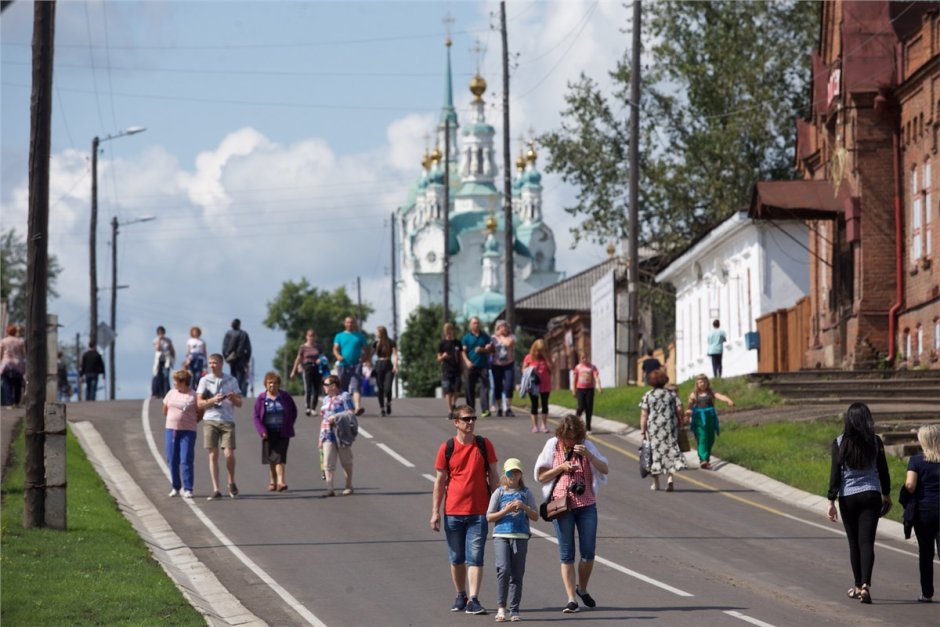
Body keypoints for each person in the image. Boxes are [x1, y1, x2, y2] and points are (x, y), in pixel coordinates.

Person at [535, 414, 609, 613]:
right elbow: (540, 476)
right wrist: (561, 467)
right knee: (566, 554)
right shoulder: (552, 445)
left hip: (586, 505)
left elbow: (605, 469)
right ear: (560, 434)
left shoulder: (587, 446)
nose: (571, 441)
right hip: (562, 507)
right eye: (567, 437)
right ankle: (571, 599)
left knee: (588, 553)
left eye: (575, 437)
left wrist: (589, 456)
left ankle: (582, 589)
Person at [430, 404, 499, 615]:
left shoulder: (484, 445)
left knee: (476, 557)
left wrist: (498, 506)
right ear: (456, 422)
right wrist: (435, 511)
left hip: (479, 511)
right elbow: (440, 482)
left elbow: (494, 477)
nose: (471, 422)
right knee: (456, 558)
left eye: (473, 418)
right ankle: (461, 594)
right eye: (466, 419)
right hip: (453, 512)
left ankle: (474, 599)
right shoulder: (447, 447)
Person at [826, 402, 891, 605]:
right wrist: (886, 495)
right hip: (871, 495)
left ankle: (856, 586)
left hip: (848, 497)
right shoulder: (875, 441)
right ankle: (865, 586)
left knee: (854, 544)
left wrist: (831, 499)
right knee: (867, 543)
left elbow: (835, 474)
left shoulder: (839, 442)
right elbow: (883, 470)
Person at [486, 457, 538, 622]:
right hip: (501, 535)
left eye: (516, 472)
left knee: (517, 573)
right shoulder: (499, 492)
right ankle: (501, 607)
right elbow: (489, 516)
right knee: (504, 569)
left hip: (521, 536)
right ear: (505, 474)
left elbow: (536, 516)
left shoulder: (526, 493)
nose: (513, 476)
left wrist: (523, 507)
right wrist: (505, 510)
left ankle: (514, 609)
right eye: (510, 472)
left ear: (520, 474)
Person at [197, 353, 243, 500]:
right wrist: (212, 400)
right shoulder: (204, 380)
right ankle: (216, 489)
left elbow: (240, 403)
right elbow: (199, 403)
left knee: (228, 454)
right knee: (213, 454)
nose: (212, 365)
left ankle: (231, 481)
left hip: (227, 420)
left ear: (221, 364)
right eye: (210, 363)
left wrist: (232, 397)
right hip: (210, 420)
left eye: (215, 363)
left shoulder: (231, 380)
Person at [902, 424, 939, 603]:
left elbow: (910, 485)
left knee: (926, 552)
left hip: (924, 511)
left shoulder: (916, 461)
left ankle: (927, 593)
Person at [639, 369, 688, 491]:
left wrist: (642, 431)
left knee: (654, 455)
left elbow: (644, 415)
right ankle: (670, 479)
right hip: (669, 427)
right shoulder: (671, 394)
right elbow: (679, 409)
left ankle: (656, 483)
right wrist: (680, 420)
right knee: (669, 452)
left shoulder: (648, 395)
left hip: (654, 429)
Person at [253, 371, 298, 493]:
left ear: (278, 384)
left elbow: (293, 411)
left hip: (282, 432)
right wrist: (262, 431)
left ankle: (281, 482)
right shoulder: (261, 399)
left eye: (274, 383)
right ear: (265, 384)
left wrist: (289, 424)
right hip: (268, 432)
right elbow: (256, 417)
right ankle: (272, 481)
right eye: (269, 383)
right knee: (271, 459)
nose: (272, 385)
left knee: (280, 457)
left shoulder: (285, 397)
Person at [318, 374, 357, 497]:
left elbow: (351, 413)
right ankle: (330, 488)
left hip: (341, 432)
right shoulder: (325, 399)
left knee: (346, 461)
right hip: (327, 433)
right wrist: (320, 437)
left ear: (333, 386)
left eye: (326, 384)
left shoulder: (344, 397)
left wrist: (336, 417)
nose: (324, 387)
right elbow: (324, 418)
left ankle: (348, 485)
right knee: (327, 461)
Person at [163, 369, 198, 499]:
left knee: (185, 459)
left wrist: (191, 422)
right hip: (171, 429)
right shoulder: (171, 393)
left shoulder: (193, 395)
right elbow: (165, 409)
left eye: (176, 381)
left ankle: (188, 488)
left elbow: (199, 412)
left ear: (183, 382)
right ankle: (175, 486)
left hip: (188, 431)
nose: (174, 384)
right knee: (172, 458)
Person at [687, 373, 734, 469]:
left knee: (710, 438)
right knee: (702, 438)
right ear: (697, 384)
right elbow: (690, 407)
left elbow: (720, 396)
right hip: (699, 418)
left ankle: (706, 459)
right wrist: (688, 414)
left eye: (704, 381)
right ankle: (703, 459)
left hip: (711, 418)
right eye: (700, 382)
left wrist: (728, 400)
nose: (702, 384)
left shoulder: (711, 392)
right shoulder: (694, 394)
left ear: (707, 382)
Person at [333, 316, 367, 416]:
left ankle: (357, 408)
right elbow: (335, 349)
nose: (350, 324)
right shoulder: (339, 336)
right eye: (348, 322)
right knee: (342, 387)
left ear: (354, 324)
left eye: (351, 322)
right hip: (343, 365)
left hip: (356, 365)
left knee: (356, 386)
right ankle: (341, 407)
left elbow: (367, 349)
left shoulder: (359, 336)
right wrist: (338, 356)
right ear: (345, 323)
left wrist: (363, 359)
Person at [461, 316, 493, 418]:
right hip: (470, 366)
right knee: (469, 388)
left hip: (483, 365)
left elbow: (490, 350)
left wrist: (486, 348)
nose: (476, 324)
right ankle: (470, 410)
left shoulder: (485, 336)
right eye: (474, 323)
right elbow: (463, 352)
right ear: (470, 325)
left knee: (484, 387)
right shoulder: (466, 337)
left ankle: (485, 410)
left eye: (478, 322)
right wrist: (467, 362)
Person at [290, 329, 325, 416]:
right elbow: (298, 358)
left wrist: (320, 360)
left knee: (317, 389)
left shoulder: (319, 347)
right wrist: (294, 370)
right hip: (307, 367)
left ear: (314, 337)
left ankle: (313, 408)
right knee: (308, 388)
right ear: (306, 337)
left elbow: (323, 357)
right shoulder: (303, 347)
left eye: (312, 336)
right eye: (309, 336)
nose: (311, 338)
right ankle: (308, 407)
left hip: (317, 367)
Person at [522, 339, 552, 433]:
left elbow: (552, 369)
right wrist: (530, 369)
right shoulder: (529, 357)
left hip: (545, 384)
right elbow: (523, 370)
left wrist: (546, 358)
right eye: (538, 350)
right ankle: (535, 426)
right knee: (534, 404)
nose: (539, 352)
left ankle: (544, 425)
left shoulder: (546, 357)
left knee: (544, 404)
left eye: (542, 350)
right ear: (534, 348)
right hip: (533, 384)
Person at [490, 320, 516, 418]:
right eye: (501, 327)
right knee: (497, 387)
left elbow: (509, 343)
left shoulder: (511, 337)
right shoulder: (493, 338)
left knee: (509, 386)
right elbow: (489, 346)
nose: (503, 328)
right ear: (497, 328)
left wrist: (500, 336)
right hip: (496, 365)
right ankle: (500, 408)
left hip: (508, 364)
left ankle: (508, 408)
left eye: (505, 326)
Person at [571, 351, 601, 433]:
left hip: (589, 389)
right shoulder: (578, 367)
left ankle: (588, 427)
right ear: (580, 359)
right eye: (582, 358)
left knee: (589, 408)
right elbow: (574, 379)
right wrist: (573, 390)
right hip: (580, 389)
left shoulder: (592, 367)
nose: (584, 359)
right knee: (581, 407)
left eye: (585, 357)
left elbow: (596, 376)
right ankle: (575, 421)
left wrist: (599, 386)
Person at [437, 322, 463, 417]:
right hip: (446, 370)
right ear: (444, 332)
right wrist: (443, 356)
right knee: (448, 391)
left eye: (450, 330)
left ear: (453, 331)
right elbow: (438, 358)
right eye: (446, 331)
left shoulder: (457, 343)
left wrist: (463, 368)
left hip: (457, 370)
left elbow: (461, 356)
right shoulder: (442, 344)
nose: (448, 332)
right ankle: (450, 411)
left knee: (457, 391)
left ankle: (453, 404)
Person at [222, 318, 252, 396]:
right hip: (241, 357)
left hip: (232, 358)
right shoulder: (243, 334)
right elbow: (248, 348)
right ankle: (238, 392)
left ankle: (234, 391)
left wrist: (226, 356)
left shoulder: (229, 333)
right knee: (240, 375)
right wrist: (247, 359)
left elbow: (224, 346)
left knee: (233, 374)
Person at [372, 325, 398, 416]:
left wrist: (395, 366)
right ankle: (382, 409)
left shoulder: (391, 342)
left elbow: (395, 354)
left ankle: (389, 403)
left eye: (377, 332)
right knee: (380, 388)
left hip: (388, 365)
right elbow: (371, 355)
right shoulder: (376, 343)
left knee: (388, 388)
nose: (376, 333)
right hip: (379, 365)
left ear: (381, 332)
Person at [0, 324, 26, 406]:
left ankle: (9, 403)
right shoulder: (20, 341)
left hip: (6, 365)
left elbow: (0, 354)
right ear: (15, 332)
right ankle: (16, 402)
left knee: (7, 386)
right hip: (18, 366)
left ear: (7, 332)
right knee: (17, 385)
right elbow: (24, 354)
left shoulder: (3, 341)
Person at [152, 326, 176, 398]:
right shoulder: (155, 340)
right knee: (158, 376)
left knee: (166, 376)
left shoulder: (168, 340)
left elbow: (171, 349)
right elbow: (157, 349)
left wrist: (173, 358)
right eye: (159, 332)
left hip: (167, 359)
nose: (161, 334)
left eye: (162, 332)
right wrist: (159, 340)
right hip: (159, 360)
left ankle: (166, 392)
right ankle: (158, 392)